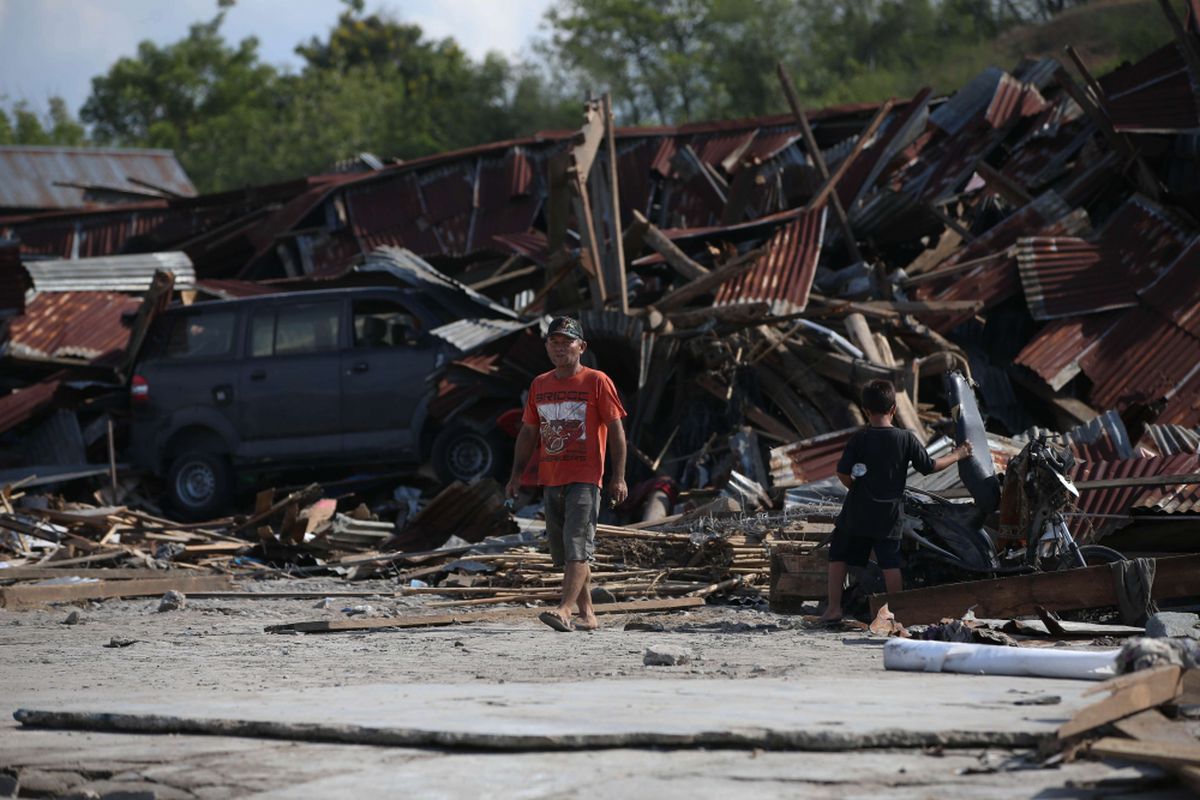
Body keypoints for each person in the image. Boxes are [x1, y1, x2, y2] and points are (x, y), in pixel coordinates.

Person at [506, 316, 628, 632]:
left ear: (581, 347)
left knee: (578, 544)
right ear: (547, 346)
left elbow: (616, 431)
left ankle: (564, 609)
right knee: (567, 552)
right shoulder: (540, 385)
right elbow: (528, 433)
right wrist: (516, 475)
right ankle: (588, 615)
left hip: (586, 477)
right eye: (554, 342)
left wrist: (618, 476)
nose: (560, 348)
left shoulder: (597, 381)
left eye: (567, 342)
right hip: (551, 478)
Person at [820, 379, 973, 624]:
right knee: (889, 560)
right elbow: (930, 466)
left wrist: (855, 488)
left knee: (838, 554)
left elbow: (842, 473)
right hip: (889, 511)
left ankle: (834, 609)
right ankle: (898, 614)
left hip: (857, 510)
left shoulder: (859, 439)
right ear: (893, 409)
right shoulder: (906, 439)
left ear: (865, 410)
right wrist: (958, 454)